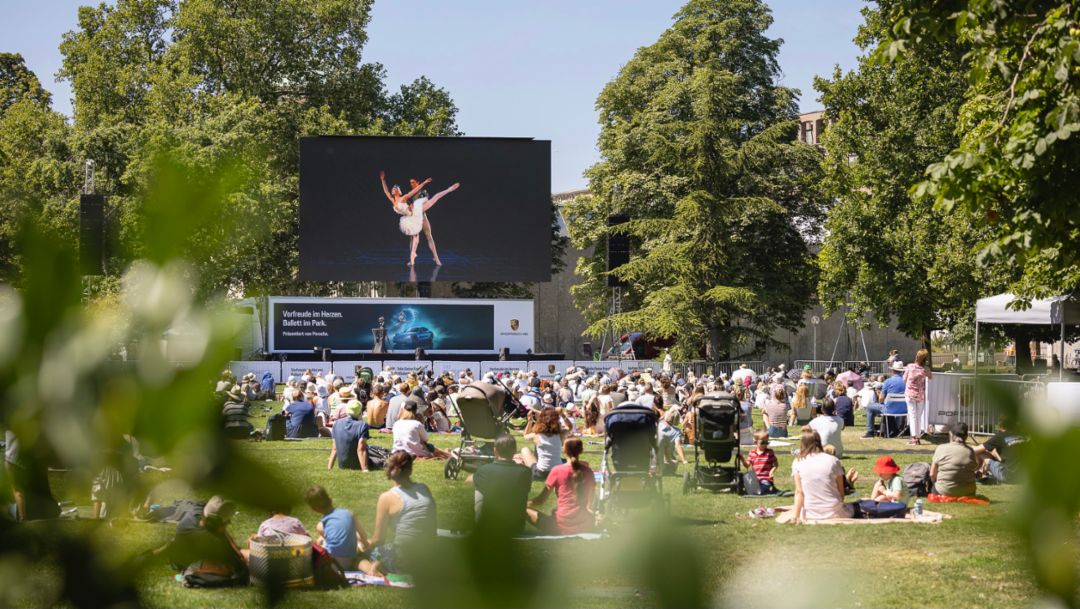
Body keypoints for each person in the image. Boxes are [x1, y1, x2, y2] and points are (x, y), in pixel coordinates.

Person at [359, 451, 437, 576]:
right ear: (410, 470)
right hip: (431, 557)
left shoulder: (387, 498)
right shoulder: (424, 489)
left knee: (362, 555)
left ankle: (374, 569)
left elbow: (379, 540)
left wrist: (364, 544)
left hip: (406, 562)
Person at [378, 171, 460, 267]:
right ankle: (412, 259)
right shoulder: (393, 201)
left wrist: (424, 183)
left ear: (398, 191)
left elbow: (414, 191)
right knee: (414, 239)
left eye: (394, 188)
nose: (392, 190)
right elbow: (386, 191)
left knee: (434, 199)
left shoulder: (403, 198)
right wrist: (382, 180)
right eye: (392, 188)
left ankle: (449, 189)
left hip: (416, 212)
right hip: (410, 218)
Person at [160, 496, 247, 581]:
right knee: (227, 570)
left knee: (243, 556)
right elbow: (236, 564)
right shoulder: (209, 538)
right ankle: (191, 573)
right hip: (185, 561)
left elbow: (225, 536)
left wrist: (238, 552)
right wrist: (239, 558)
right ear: (217, 524)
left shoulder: (198, 511)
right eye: (227, 522)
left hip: (187, 549)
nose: (228, 523)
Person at [467, 434, 532, 539]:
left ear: (495, 450)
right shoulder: (526, 472)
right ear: (515, 451)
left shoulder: (484, 470)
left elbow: (468, 481)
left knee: (478, 485)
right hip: (516, 527)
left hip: (487, 527)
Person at [526, 438, 596, 534]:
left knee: (523, 510)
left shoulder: (557, 471)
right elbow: (590, 503)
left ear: (564, 450)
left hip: (560, 526)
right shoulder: (588, 471)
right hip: (584, 525)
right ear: (581, 451)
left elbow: (540, 500)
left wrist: (522, 504)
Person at [789, 428, 852, 523]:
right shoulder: (833, 460)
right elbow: (841, 492)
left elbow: (799, 492)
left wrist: (796, 516)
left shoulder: (797, 462)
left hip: (809, 513)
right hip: (834, 511)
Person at [306, 485, 370, 570]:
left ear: (314, 509)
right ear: (330, 499)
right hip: (351, 560)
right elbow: (364, 536)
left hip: (331, 563)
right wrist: (365, 544)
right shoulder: (350, 514)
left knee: (320, 540)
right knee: (357, 540)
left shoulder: (321, 525)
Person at [930, 422, 978, 497]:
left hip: (944, 490)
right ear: (966, 436)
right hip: (968, 492)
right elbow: (974, 469)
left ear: (951, 434)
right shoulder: (970, 451)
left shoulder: (941, 448)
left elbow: (932, 474)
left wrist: (935, 482)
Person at [520, 408, 566, 479]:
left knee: (525, 450)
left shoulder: (537, 436)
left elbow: (525, 435)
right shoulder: (561, 434)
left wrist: (530, 421)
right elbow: (569, 427)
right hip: (557, 472)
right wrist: (563, 415)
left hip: (541, 473)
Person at [975, 417, 1023, 483]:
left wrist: (961, 446)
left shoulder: (1000, 437)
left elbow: (975, 450)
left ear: (1001, 425)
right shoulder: (1023, 436)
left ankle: (975, 472)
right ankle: (980, 472)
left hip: (1009, 477)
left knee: (982, 453)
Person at [328, 401, 371, 472]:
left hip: (342, 465)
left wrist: (329, 467)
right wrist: (365, 469)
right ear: (360, 412)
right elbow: (361, 449)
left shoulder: (336, 424)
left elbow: (334, 448)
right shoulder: (363, 425)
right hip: (357, 464)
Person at [903, 349, 933, 445]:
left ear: (917, 356)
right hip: (920, 395)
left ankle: (914, 438)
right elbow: (930, 377)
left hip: (910, 394)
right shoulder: (926, 369)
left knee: (912, 416)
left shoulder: (910, 366)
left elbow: (904, 379)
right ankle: (918, 437)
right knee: (918, 417)